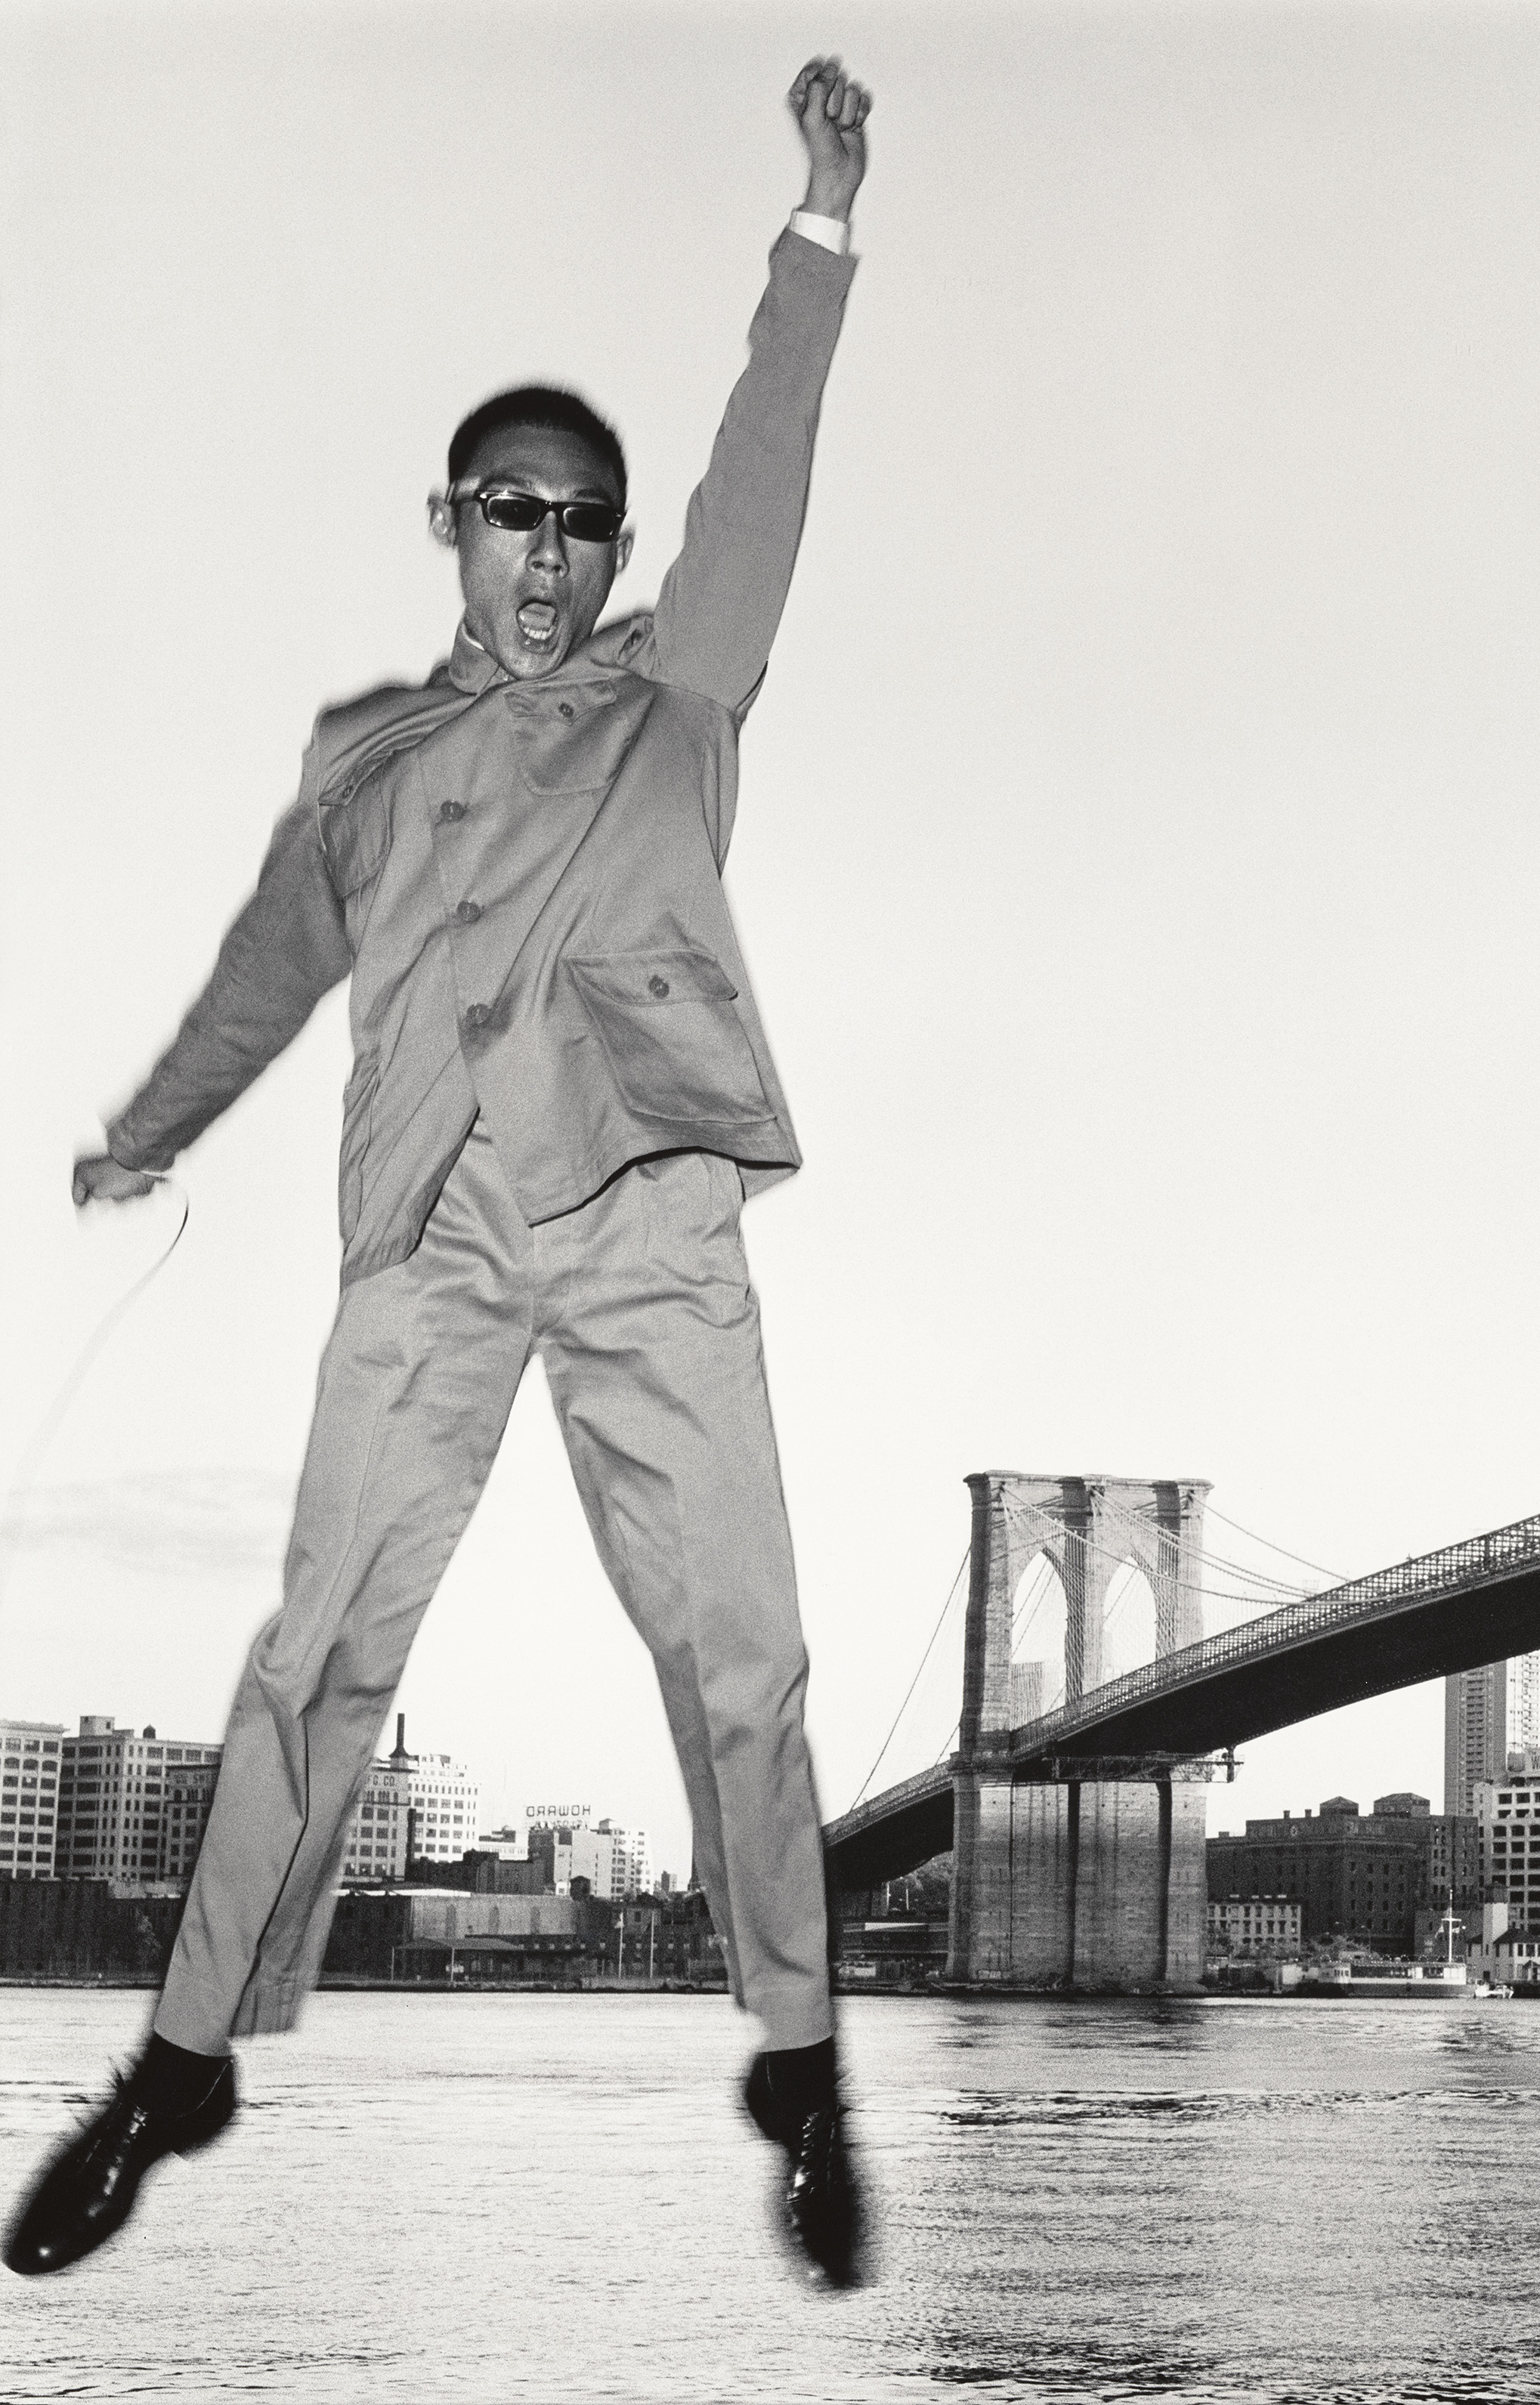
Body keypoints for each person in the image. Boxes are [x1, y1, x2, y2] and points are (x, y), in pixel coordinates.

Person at [7, 56, 874, 2289]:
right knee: (313, 1664)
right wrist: (154, 1125)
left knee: (748, 1660)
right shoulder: (362, 759)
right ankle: (176, 2073)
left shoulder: (679, 700)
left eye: (583, 521)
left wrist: (816, 237)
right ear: (450, 526)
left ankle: (799, 2074)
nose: (555, 555)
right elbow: (266, 965)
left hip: (648, 1220)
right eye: (517, 512)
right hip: (425, 1241)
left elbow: (754, 487)